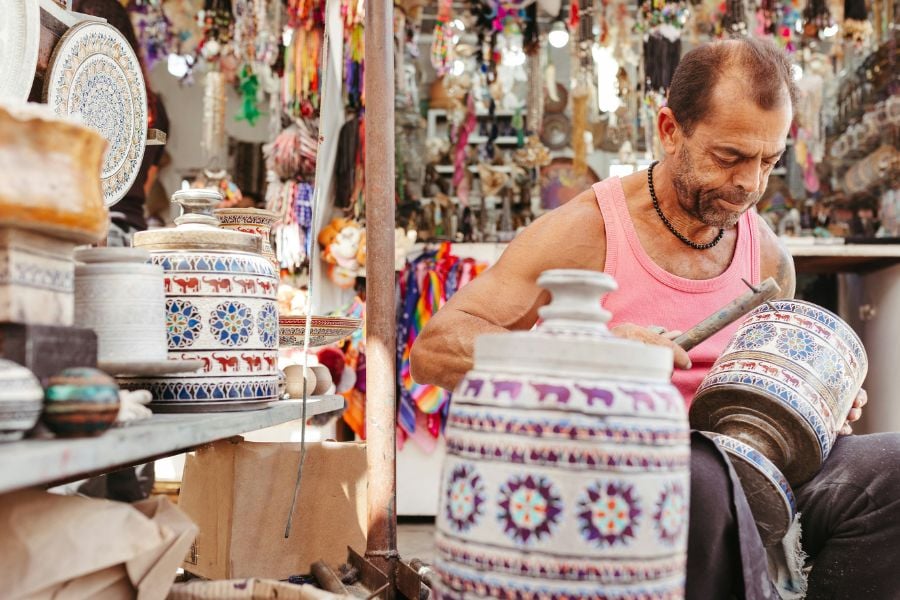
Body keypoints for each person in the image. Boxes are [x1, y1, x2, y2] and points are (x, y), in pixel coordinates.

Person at [410, 37, 900, 599]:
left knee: (892, 469)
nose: (752, 185)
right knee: (700, 478)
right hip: (628, 470)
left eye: (769, 160)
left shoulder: (768, 258)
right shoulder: (586, 230)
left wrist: (818, 402)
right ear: (670, 130)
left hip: (744, 466)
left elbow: (768, 395)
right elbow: (438, 346)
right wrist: (598, 356)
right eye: (729, 157)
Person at [73, 0, 170, 246]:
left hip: (95, 231)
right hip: (134, 232)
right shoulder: (152, 106)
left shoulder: (80, 90)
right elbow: (145, 184)